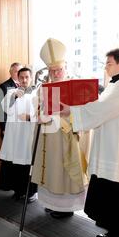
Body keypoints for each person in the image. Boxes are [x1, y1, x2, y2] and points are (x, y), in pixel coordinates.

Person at [65, 48, 119, 237]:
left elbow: (102, 109)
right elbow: (100, 108)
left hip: (118, 148)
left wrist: (72, 111)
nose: (106, 67)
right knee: (110, 188)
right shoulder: (115, 85)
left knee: (117, 189)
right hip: (110, 144)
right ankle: (113, 226)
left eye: (109, 63)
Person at [31, 38, 88, 219]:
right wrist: (41, 114)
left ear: (66, 68)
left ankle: (65, 207)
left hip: (67, 136)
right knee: (50, 170)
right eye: (52, 70)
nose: (56, 73)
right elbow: (37, 109)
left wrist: (69, 114)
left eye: (59, 70)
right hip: (48, 136)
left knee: (63, 173)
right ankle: (51, 204)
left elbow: (85, 110)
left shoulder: (76, 85)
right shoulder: (42, 88)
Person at [0, 67, 38, 203]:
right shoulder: (11, 92)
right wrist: (14, 96)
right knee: (15, 164)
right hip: (14, 135)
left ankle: (31, 193)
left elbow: (41, 113)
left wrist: (29, 117)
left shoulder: (36, 93)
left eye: (27, 77)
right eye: (21, 77)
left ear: (31, 78)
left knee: (27, 164)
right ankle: (18, 191)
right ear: (18, 78)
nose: (24, 80)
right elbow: (4, 108)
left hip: (27, 134)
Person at [0, 63, 24, 138]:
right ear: (10, 72)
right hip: (10, 126)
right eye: (16, 71)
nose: (18, 74)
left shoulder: (26, 85)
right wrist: (4, 128)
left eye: (20, 71)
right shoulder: (4, 86)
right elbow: (0, 109)